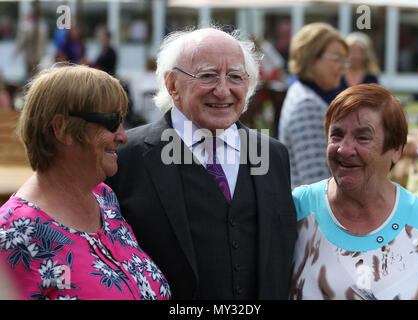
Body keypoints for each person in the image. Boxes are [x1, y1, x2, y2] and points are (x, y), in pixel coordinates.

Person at [106, 27, 297, 299]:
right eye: (207, 76)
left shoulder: (273, 155)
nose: (223, 90)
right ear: (172, 85)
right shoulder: (126, 157)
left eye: (235, 76)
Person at [0, 65, 171, 300]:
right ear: (61, 129)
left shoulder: (104, 199)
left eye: (122, 121)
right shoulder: (13, 233)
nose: (123, 135)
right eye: (111, 121)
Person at [290, 83, 418, 300]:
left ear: (396, 150)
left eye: (362, 137)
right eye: (336, 135)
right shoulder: (297, 210)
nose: (344, 149)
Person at [278, 22, 349, 189]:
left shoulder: (306, 93)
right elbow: (316, 182)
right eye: (337, 59)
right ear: (311, 58)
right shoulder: (307, 104)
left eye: (345, 60)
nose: (343, 67)